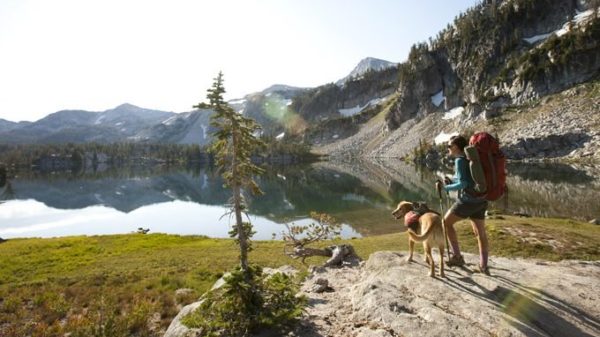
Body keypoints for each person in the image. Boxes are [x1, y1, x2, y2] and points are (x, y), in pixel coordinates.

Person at [436, 135, 490, 275]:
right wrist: (452, 180)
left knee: (446, 223)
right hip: (481, 199)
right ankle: (484, 266)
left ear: (456, 147)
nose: (448, 149)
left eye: (449, 146)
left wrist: (446, 188)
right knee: (480, 233)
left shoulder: (460, 160)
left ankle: (458, 257)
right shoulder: (470, 158)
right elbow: (466, 179)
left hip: (468, 200)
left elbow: (464, 183)